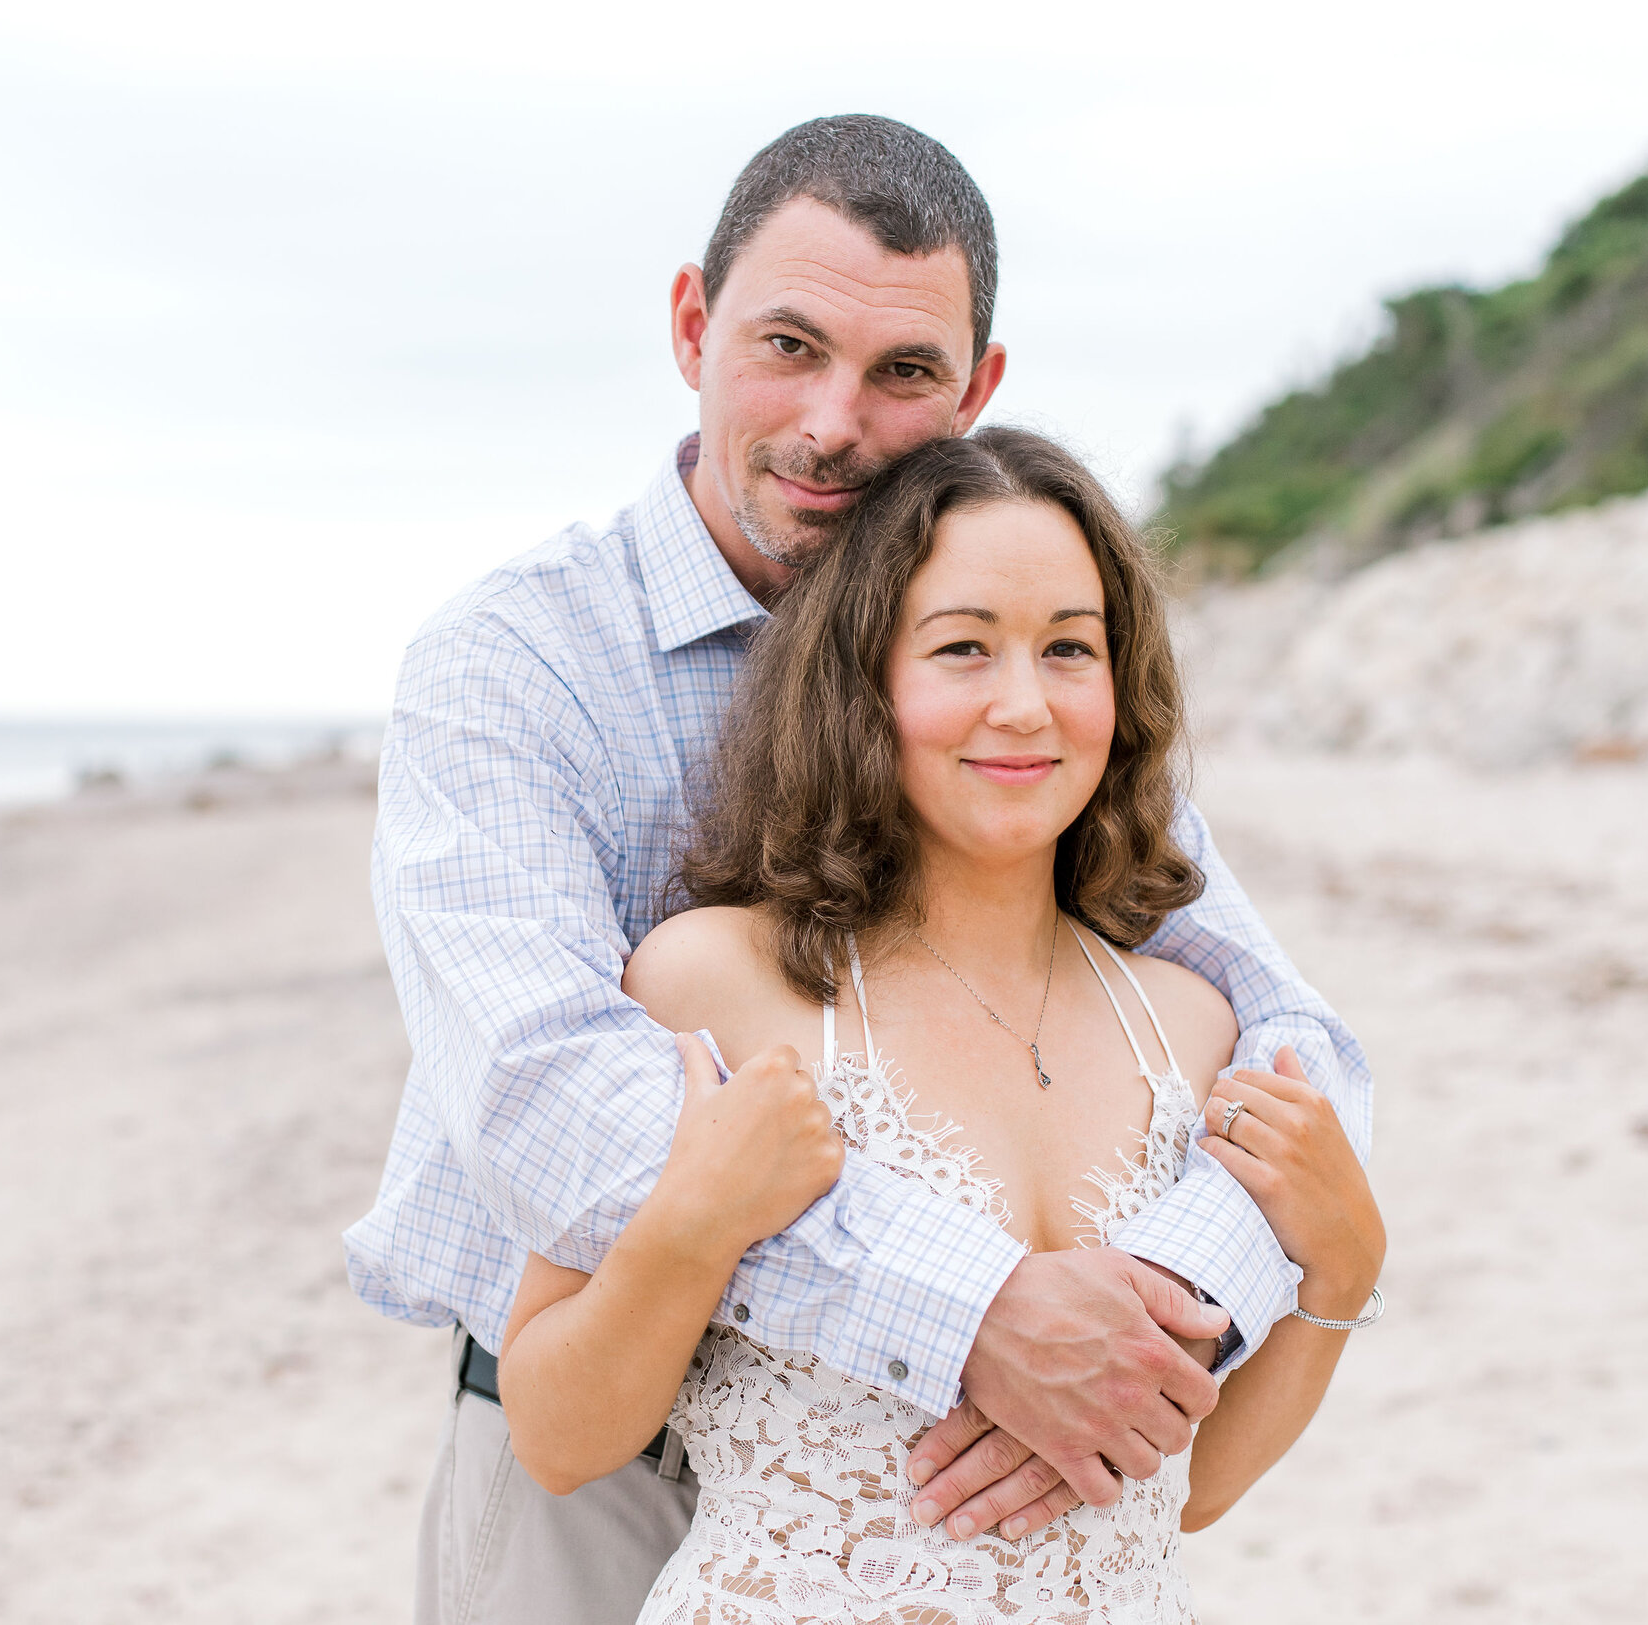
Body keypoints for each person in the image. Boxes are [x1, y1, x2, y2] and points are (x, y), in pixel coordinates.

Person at [344, 114, 1373, 1623]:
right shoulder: (518, 663)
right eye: (786, 345)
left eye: (903, 373)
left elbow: (1295, 1045)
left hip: (1032, 1437)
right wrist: (976, 1306)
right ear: (693, 324)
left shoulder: (1022, 704)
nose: (834, 421)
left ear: (977, 388)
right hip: (592, 1436)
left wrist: (1178, 1298)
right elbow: (554, 1104)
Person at [494, 427, 1385, 1620]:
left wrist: (1343, 1267)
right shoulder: (716, 981)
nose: (1023, 705)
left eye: (1069, 648)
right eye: (963, 647)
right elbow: (556, 1437)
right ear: (864, 678)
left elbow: (1178, 1489)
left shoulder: (1187, 1024)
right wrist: (692, 1224)